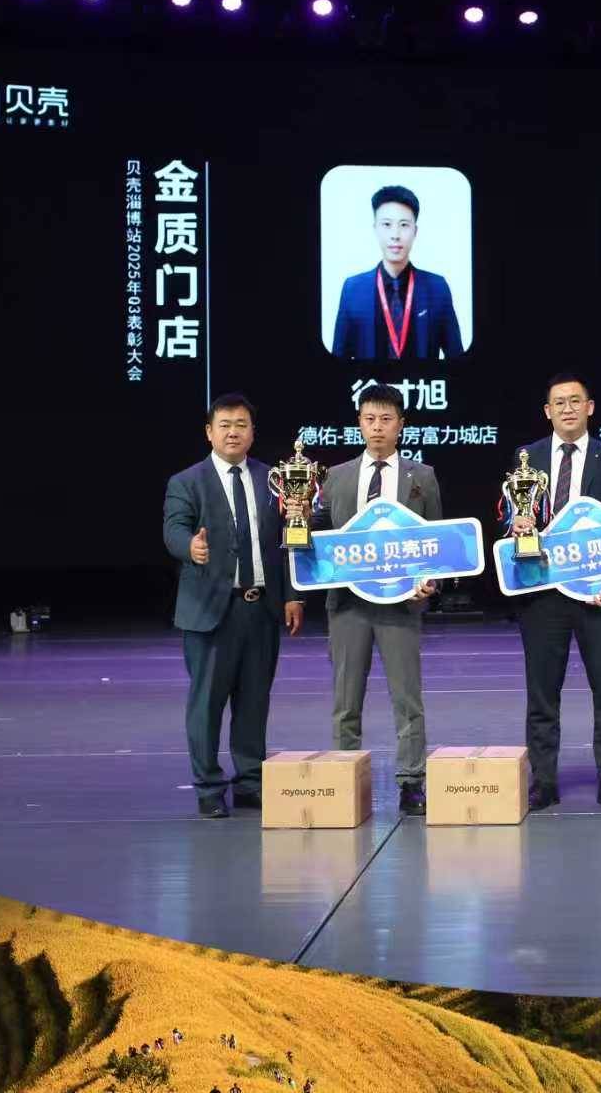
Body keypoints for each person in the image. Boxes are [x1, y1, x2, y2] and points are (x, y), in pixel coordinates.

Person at [161, 394, 304, 817]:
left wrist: (292, 595)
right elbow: (173, 529)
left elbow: (287, 541)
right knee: (206, 705)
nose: (233, 432)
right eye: (224, 425)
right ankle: (208, 787)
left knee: (254, 702)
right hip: (210, 611)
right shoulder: (187, 482)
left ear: (252, 432)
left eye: (241, 424)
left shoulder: (273, 479)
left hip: (261, 609)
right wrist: (190, 547)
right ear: (209, 432)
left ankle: (250, 782)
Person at [308, 383, 442, 815]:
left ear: (401, 424)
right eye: (370, 419)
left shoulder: (422, 477)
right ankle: (344, 778)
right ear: (359, 424)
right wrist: (297, 522)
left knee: (407, 699)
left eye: (386, 419)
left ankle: (411, 781)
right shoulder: (336, 476)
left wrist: (431, 582)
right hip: (348, 605)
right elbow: (317, 534)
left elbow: (436, 542)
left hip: (400, 605)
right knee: (345, 701)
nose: (378, 427)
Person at [508, 374, 601, 810]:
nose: (567, 409)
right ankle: (543, 781)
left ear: (590, 407)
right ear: (547, 411)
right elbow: (510, 515)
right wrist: (514, 525)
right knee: (542, 692)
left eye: (575, 401)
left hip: (597, 593)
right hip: (543, 594)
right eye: (559, 402)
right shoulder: (526, 458)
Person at [331, 184, 466, 360]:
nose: (395, 234)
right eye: (387, 224)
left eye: (404, 225)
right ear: (375, 229)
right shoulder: (353, 289)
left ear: (415, 231)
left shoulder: (437, 288)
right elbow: (338, 359)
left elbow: (456, 357)